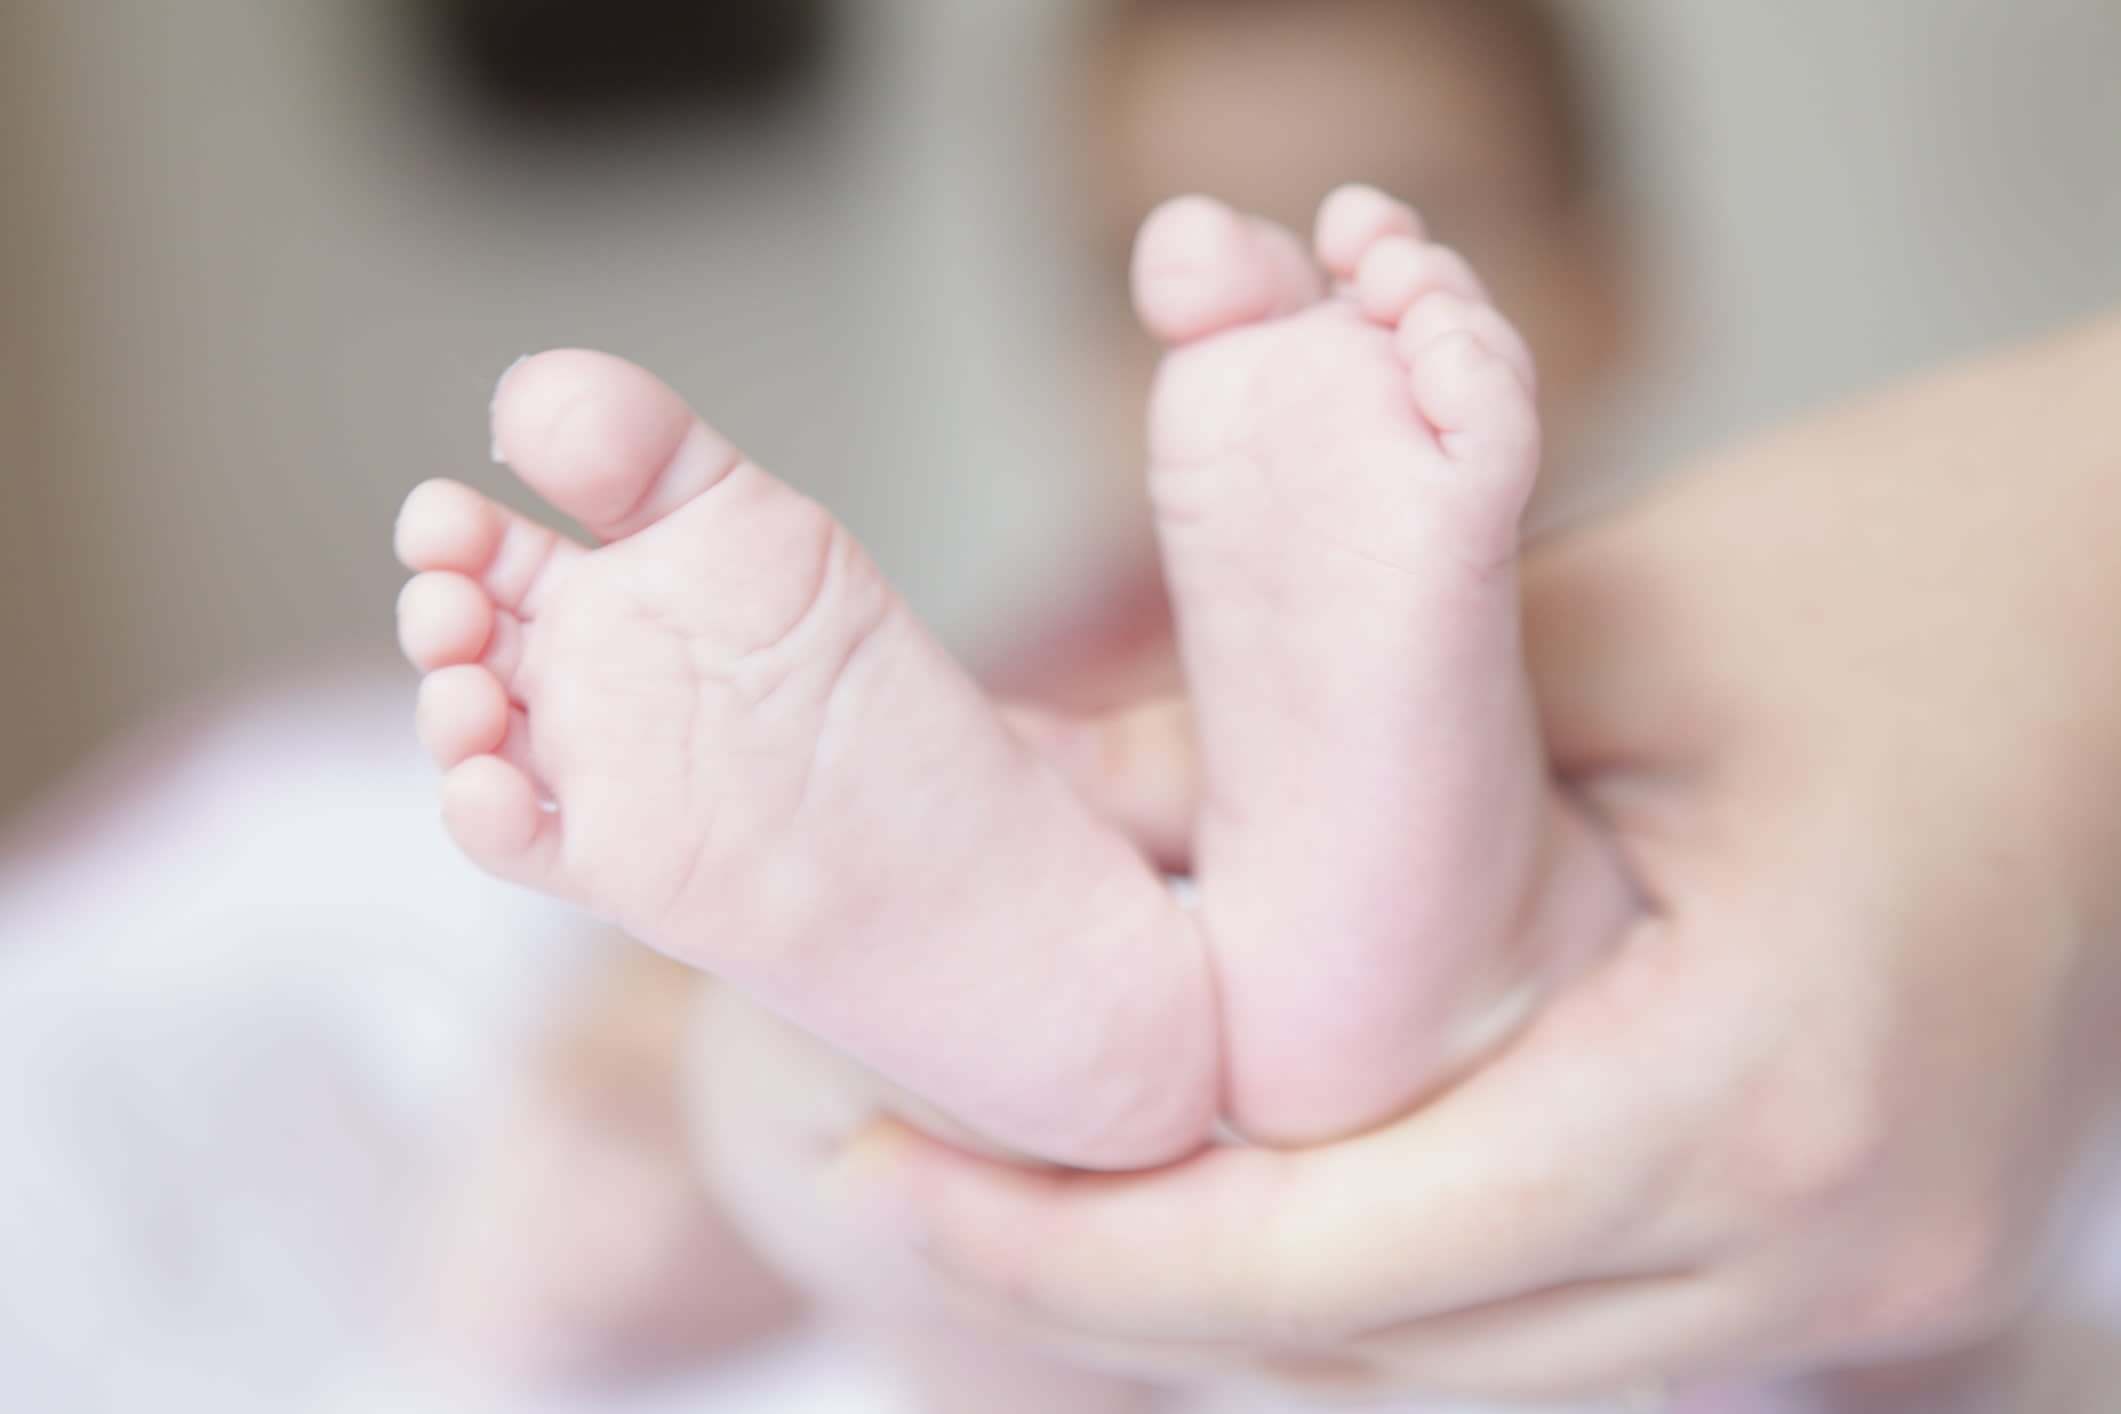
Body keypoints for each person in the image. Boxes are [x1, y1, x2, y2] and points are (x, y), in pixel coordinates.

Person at [407, 0, 1638, 1391]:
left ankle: (971, 1071)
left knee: (817, 1152)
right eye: (1144, 269)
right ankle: (903, 1066)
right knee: (696, 1109)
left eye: (1394, 234)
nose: (1297, 335)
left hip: (1168, 1214)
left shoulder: (1666, 635)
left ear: (1612, 289)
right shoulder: (1042, 683)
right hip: (1139, 1172)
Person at [807, 309, 2121, 1407]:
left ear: (1607, 286)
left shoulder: (1695, 604)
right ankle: (1015, 998)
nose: (1301, 339)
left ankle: (1001, 1021)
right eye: (1114, 267)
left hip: (1556, 1080)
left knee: (854, 1163)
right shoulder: (1062, 658)